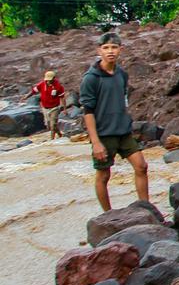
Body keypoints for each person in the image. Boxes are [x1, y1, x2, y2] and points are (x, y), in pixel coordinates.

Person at [80, 33, 149, 211]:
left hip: (123, 132)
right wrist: (96, 143)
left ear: (120, 50)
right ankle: (108, 215)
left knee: (141, 166)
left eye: (114, 47)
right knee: (103, 176)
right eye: (106, 48)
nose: (110, 51)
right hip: (104, 134)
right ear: (99, 51)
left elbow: (123, 101)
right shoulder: (91, 78)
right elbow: (88, 112)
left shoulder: (121, 75)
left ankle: (146, 209)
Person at [29, 70, 66, 140]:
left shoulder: (58, 86)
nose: (48, 81)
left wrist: (64, 109)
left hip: (54, 108)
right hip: (45, 108)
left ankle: (52, 140)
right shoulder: (42, 84)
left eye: (50, 80)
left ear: (54, 78)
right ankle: (59, 134)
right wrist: (26, 97)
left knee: (53, 125)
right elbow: (34, 91)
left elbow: (62, 98)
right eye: (47, 80)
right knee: (50, 125)